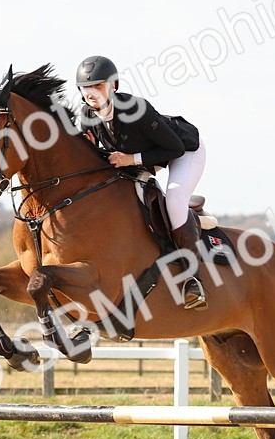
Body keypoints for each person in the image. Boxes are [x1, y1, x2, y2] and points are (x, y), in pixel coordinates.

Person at [74, 55, 209, 310]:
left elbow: (175, 148)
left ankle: (193, 279)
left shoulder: (136, 109)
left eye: (98, 85)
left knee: (175, 200)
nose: (91, 93)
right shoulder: (86, 115)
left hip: (183, 150)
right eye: (85, 87)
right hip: (143, 157)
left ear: (113, 85)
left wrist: (130, 159)